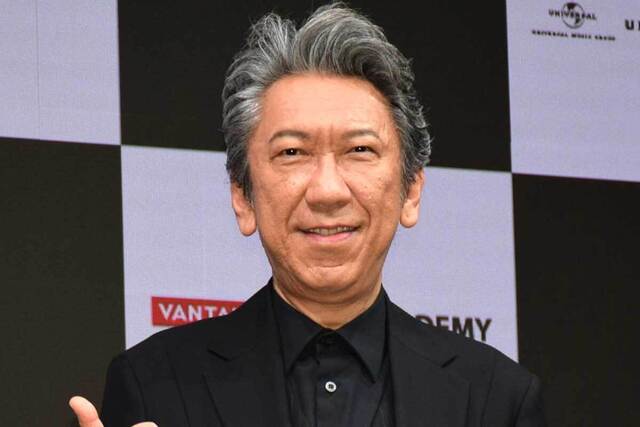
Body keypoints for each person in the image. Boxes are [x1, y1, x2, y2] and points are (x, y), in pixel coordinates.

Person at [70, 3, 545, 426]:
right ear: (243, 196)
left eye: (359, 149)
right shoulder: (154, 385)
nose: (327, 190)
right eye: (293, 152)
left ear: (411, 191)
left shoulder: (496, 400)